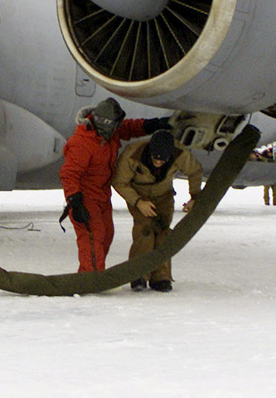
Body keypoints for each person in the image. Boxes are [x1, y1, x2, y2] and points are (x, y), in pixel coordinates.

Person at [59, 98, 169, 272]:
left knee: (106, 235)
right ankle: (91, 278)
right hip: (85, 198)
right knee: (93, 236)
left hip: (102, 196)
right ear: (107, 124)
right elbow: (69, 174)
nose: (120, 127)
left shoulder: (109, 133)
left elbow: (130, 128)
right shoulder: (82, 144)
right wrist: (74, 201)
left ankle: (94, 273)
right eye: (117, 124)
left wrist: (156, 124)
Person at [111, 130, 204, 292]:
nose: (158, 163)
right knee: (145, 229)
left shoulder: (179, 153)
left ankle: (161, 277)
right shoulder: (132, 154)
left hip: (164, 196)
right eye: (155, 159)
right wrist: (138, 202)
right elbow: (119, 182)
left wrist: (194, 196)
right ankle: (138, 274)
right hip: (139, 195)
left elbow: (195, 171)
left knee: (163, 232)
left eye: (163, 160)